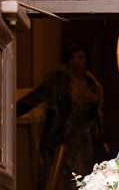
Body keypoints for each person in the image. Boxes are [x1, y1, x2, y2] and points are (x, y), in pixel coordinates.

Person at [17, 41, 105, 180]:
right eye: (73, 57)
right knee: (58, 178)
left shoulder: (91, 82)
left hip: (86, 141)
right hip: (62, 138)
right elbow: (36, 96)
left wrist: (94, 101)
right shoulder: (58, 79)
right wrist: (12, 112)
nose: (76, 61)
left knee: (83, 178)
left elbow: (97, 113)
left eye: (80, 57)